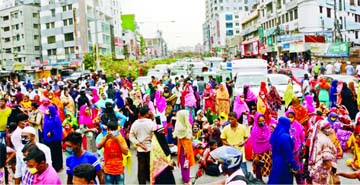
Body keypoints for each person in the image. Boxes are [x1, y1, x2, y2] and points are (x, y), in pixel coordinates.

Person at [129, 106, 157, 184]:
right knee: (150, 165)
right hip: (150, 148)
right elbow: (156, 132)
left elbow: (131, 136)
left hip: (140, 149)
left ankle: (142, 182)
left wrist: (138, 144)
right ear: (147, 114)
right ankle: (150, 179)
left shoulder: (135, 123)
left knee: (141, 167)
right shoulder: (150, 123)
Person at [268, 116, 299, 184]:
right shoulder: (285, 137)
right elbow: (289, 155)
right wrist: (295, 167)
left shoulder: (276, 133)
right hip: (284, 164)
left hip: (276, 161)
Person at [308, 120, 338, 184]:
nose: (330, 129)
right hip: (323, 171)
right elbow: (327, 159)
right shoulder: (324, 140)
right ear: (322, 129)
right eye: (328, 128)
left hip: (316, 169)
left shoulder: (316, 137)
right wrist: (333, 172)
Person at [173, 110, 195, 185]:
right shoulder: (181, 127)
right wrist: (185, 149)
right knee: (185, 163)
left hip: (187, 146)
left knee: (186, 163)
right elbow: (181, 139)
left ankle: (186, 176)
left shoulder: (183, 124)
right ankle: (186, 180)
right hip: (184, 148)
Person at [249, 113, 272, 182]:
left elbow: (269, 139)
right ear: (256, 121)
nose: (262, 122)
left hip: (267, 151)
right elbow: (254, 144)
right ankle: (259, 181)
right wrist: (256, 155)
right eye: (260, 121)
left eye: (263, 120)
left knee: (268, 166)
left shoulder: (266, 128)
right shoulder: (254, 130)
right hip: (258, 152)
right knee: (258, 168)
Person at [43, 105, 63, 172]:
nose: (47, 111)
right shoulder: (46, 117)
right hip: (47, 138)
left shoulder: (56, 117)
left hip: (55, 138)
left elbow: (58, 128)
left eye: (48, 109)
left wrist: (52, 132)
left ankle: (58, 166)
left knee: (56, 153)